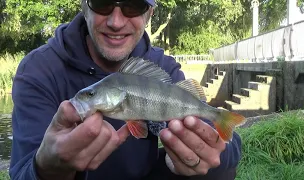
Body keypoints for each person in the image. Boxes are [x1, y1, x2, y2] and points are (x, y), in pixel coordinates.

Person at [9, 0, 242, 179]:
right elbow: (21, 172)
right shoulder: (38, 71)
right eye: (103, 2)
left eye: (133, 5)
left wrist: (207, 155)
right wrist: (47, 169)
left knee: (218, 174)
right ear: (84, 5)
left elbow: (231, 146)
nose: (116, 22)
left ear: (149, 13)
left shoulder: (161, 67)